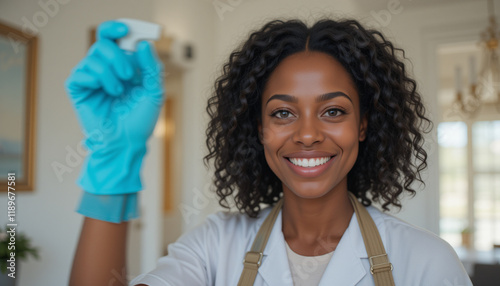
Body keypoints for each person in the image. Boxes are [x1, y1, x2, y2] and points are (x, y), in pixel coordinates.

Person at [66, 18, 473, 286]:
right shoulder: (214, 248)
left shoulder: (427, 262)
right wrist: (115, 160)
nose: (308, 134)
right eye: (283, 112)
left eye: (333, 111)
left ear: (363, 125)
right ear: (260, 129)